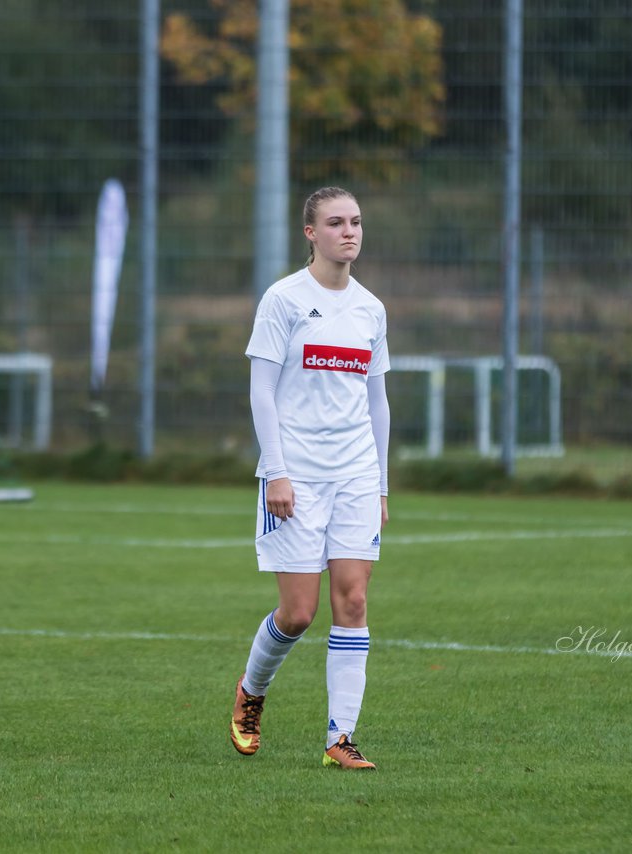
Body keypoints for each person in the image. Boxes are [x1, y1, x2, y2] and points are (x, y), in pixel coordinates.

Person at [230, 186, 390, 770]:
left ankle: (339, 739)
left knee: (354, 599)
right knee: (298, 613)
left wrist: (380, 486)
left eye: (356, 221)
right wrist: (276, 473)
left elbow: (378, 403)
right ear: (310, 233)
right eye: (335, 223)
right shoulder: (284, 300)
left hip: (355, 474)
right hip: (295, 475)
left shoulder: (371, 309)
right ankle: (252, 693)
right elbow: (261, 391)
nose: (349, 232)